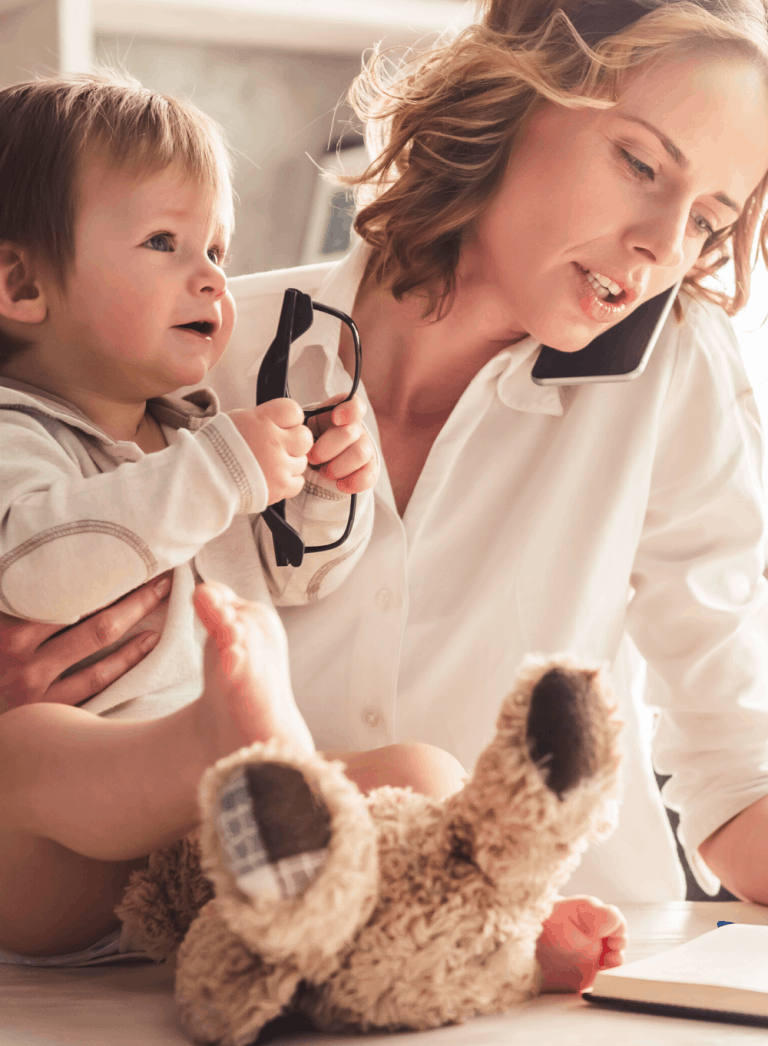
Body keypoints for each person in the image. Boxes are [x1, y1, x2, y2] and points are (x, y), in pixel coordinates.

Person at [7, 0, 768, 911]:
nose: (663, 246)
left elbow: (734, 749)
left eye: (709, 218)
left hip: (558, 980)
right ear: (511, 97)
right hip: (235, 957)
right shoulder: (197, 356)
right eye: (640, 164)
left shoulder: (674, 372)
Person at [0, 72, 625, 992]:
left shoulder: (186, 428)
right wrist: (223, 471)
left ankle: (503, 925)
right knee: (26, 750)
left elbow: (289, 584)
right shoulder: (20, 430)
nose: (211, 276)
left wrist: (324, 502)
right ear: (20, 284)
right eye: (163, 242)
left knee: (420, 771)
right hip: (58, 872)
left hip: (216, 853)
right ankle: (219, 745)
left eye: (217, 247)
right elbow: (36, 574)